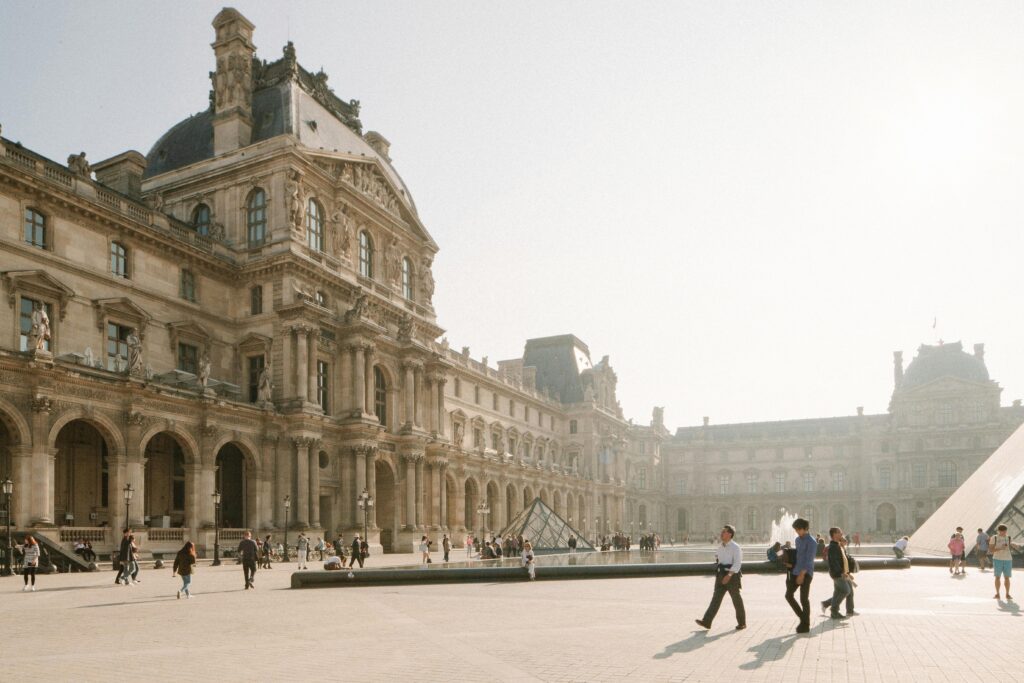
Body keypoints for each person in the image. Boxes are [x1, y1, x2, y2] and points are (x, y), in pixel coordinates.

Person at [695, 524, 746, 631]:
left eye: (724, 532)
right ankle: (707, 621)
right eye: (722, 532)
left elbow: (737, 564)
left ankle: (742, 623)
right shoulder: (720, 547)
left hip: (731, 576)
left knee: (736, 600)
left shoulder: (736, 547)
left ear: (730, 534)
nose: (721, 534)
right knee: (716, 599)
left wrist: (729, 575)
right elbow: (718, 560)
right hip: (720, 575)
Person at [786, 517, 816, 634]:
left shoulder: (812, 542)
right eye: (796, 529)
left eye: (798, 529)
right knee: (788, 595)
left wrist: (802, 574)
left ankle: (805, 625)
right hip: (795, 571)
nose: (797, 531)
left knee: (804, 599)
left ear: (805, 528)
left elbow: (809, 560)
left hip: (806, 573)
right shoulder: (798, 540)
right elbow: (798, 556)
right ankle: (804, 619)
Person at [820, 527, 856, 619]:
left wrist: (847, 572)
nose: (841, 533)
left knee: (838, 592)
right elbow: (834, 562)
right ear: (834, 534)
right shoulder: (833, 547)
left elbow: (843, 561)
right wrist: (841, 572)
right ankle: (834, 610)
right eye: (839, 532)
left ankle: (834, 611)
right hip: (838, 574)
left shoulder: (838, 546)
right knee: (846, 590)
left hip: (842, 573)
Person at [990, 524, 1019, 600]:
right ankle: (997, 593)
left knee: (1007, 578)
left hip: (1008, 559)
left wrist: (1014, 545)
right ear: (998, 531)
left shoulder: (1008, 537)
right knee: (997, 577)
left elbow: (1011, 544)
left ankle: (1007, 594)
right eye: (1002, 531)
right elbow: (991, 550)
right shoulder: (994, 537)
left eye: (1005, 531)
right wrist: (1000, 548)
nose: (1003, 533)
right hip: (997, 559)